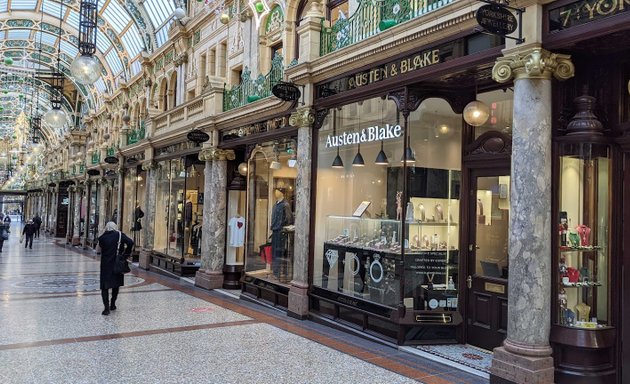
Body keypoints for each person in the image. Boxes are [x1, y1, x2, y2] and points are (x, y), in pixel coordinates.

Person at [97, 221, 134, 316]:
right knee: (115, 284)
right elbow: (130, 242)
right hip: (117, 264)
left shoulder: (102, 238)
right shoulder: (119, 235)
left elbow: (100, 249)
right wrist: (126, 254)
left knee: (104, 286)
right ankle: (113, 304)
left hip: (105, 265)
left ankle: (106, 308)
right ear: (115, 227)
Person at [270, 188, 293, 280]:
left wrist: (283, 227)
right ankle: (275, 272)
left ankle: (280, 273)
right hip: (275, 231)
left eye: (278, 191)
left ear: (282, 193)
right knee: (274, 252)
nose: (276, 193)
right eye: (275, 191)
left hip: (281, 232)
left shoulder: (285, 205)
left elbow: (289, 218)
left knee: (280, 253)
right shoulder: (275, 205)